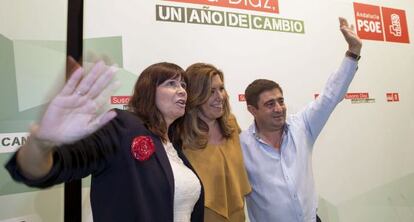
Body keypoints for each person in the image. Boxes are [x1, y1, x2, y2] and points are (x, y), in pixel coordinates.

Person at [5, 60, 204, 222]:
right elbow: (51, 167)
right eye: (171, 83)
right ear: (148, 91)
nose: (182, 91)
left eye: (183, 85)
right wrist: (41, 142)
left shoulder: (174, 146)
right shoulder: (123, 126)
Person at [240, 17, 362, 222]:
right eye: (270, 104)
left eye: (281, 101)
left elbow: (330, 95)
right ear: (252, 110)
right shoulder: (241, 145)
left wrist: (353, 51)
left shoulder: (302, 126)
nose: (279, 109)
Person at [174, 63, 251, 222]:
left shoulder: (231, 124)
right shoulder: (179, 136)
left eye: (221, 89)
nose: (220, 97)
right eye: (211, 91)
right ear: (195, 96)